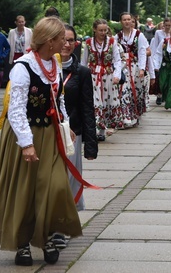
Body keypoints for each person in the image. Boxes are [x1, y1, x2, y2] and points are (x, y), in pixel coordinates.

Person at [0, 16, 82, 266]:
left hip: (50, 134)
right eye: (62, 37)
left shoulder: (55, 64)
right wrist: (26, 143)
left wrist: (65, 125)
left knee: (55, 186)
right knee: (25, 190)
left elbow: (58, 98)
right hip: (24, 135)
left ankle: (48, 235)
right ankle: (22, 244)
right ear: (50, 41)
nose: (67, 41)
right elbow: (16, 110)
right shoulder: (23, 67)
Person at [60, 24, 98, 212]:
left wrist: (91, 144)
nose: (66, 44)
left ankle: (63, 225)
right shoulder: (42, 68)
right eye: (62, 39)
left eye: (70, 40)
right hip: (46, 132)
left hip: (72, 134)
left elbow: (87, 108)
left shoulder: (82, 72)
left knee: (69, 178)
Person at [81, 19, 123, 140]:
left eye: (105, 30)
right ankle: (93, 130)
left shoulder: (111, 42)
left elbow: (117, 59)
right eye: (100, 30)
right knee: (94, 102)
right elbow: (84, 61)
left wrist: (117, 75)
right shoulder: (89, 42)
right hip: (93, 76)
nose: (103, 32)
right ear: (95, 30)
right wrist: (81, 77)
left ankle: (102, 131)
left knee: (106, 102)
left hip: (107, 76)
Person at [115, 12, 150, 127]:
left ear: (132, 21)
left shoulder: (138, 35)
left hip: (135, 67)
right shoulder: (118, 36)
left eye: (129, 19)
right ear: (121, 22)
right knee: (124, 91)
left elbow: (142, 52)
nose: (127, 22)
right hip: (123, 67)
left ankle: (135, 115)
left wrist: (142, 68)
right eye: (124, 19)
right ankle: (125, 118)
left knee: (137, 92)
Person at [149, 18, 171, 106]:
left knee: (168, 78)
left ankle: (166, 95)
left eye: (169, 25)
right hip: (160, 57)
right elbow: (155, 45)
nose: (167, 27)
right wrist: (154, 60)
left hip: (169, 58)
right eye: (166, 25)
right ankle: (159, 95)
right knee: (159, 77)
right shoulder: (158, 33)